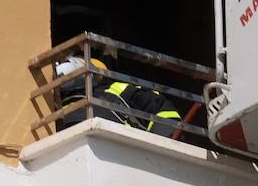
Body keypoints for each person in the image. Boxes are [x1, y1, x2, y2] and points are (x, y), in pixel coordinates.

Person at [54, 55, 182, 135]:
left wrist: (157, 140)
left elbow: (163, 109)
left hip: (127, 148)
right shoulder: (58, 107)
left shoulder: (114, 89)